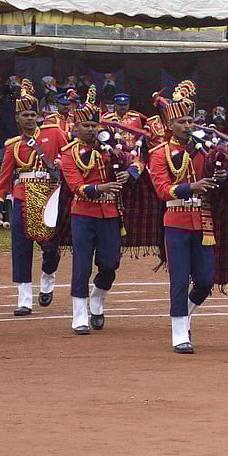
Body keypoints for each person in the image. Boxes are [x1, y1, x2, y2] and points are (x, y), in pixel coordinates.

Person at [147, 80, 228, 354]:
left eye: (190, 121)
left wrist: (224, 176)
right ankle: (179, 332)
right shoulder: (159, 153)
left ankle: (183, 314)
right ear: (169, 124)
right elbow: (162, 189)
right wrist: (191, 187)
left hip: (204, 220)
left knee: (206, 280)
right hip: (176, 220)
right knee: (179, 279)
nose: (187, 126)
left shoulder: (206, 149)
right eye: (181, 122)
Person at [60, 86, 138, 335]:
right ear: (76, 127)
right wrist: (100, 187)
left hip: (110, 214)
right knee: (82, 264)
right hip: (83, 214)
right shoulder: (69, 154)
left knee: (110, 263)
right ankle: (79, 315)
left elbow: (136, 161)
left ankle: (97, 297)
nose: (91, 130)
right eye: (86, 126)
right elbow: (75, 186)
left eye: (95, 125)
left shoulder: (111, 148)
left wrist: (130, 172)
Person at [0, 81, 68, 314]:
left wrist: (61, 165)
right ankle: (24, 299)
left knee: (51, 247)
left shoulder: (54, 133)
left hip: (49, 198)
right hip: (23, 198)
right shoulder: (13, 146)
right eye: (25, 115)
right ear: (17, 118)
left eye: (33, 114)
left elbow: (69, 157)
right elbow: (4, 178)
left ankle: (48, 278)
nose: (30, 118)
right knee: (21, 248)